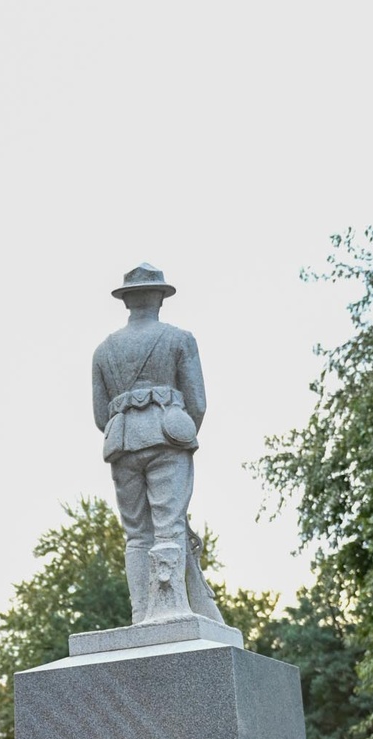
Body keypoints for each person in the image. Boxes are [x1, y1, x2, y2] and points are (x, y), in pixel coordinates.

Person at [92, 263, 222, 625]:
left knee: (136, 535)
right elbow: (197, 402)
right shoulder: (180, 340)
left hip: (123, 445)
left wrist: (133, 432)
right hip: (168, 438)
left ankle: (141, 615)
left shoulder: (103, 350)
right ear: (160, 298)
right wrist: (177, 432)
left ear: (127, 301)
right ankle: (172, 610)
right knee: (169, 526)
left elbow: (100, 415)